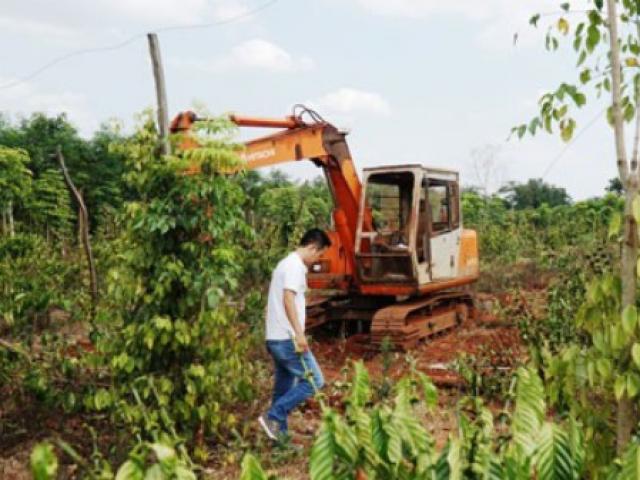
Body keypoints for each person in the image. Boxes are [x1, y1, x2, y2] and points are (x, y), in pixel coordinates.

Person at [258, 228, 332, 441]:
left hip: (276, 337)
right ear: (311, 248)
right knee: (315, 380)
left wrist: (269, 336)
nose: (317, 259)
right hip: (288, 338)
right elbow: (288, 299)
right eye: (319, 254)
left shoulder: (283, 265)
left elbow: (270, 304)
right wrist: (300, 335)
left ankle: (278, 440)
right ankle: (274, 415)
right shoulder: (295, 267)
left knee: (282, 389)